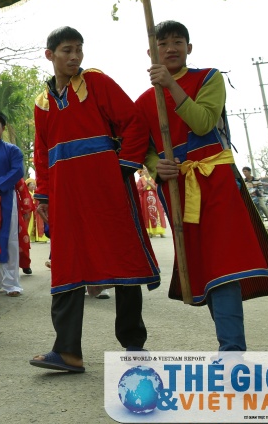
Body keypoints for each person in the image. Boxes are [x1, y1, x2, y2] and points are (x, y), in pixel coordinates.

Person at [136, 20, 268, 351]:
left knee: (225, 262)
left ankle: (232, 350)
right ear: (151, 53)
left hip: (216, 180)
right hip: (177, 188)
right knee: (203, 268)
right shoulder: (142, 101)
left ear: (189, 48)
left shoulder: (208, 78)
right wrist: (157, 167)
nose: (171, 49)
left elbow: (204, 121)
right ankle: (230, 346)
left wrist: (171, 86)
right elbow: (146, 150)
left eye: (178, 42)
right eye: (162, 44)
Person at [30, 26, 160, 374]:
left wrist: (123, 168)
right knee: (68, 265)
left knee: (122, 260)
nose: (74, 57)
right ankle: (68, 351)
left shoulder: (98, 84)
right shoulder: (41, 104)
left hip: (107, 190)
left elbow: (134, 123)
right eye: (66, 51)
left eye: (78, 50)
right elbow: (41, 154)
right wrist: (43, 195)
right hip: (65, 196)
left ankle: (134, 345)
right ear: (50, 55)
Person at [0, 111, 27, 297]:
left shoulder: (12, 150)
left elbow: (18, 171)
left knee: (8, 240)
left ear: (2, 127)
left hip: (6, 200)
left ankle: (12, 284)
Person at [137, 169, 166, 237]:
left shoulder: (153, 178)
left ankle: (160, 231)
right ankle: (150, 232)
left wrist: (150, 184)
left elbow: (157, 188)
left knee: (157, 213)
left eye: (147, 169)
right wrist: (147, 185)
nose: (146, 171)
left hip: (154, 197)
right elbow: (139, 190)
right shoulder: (141, 179)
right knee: (147, 213)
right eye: (144, 169)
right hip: (145, 198)